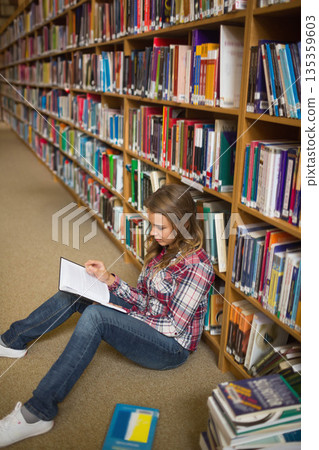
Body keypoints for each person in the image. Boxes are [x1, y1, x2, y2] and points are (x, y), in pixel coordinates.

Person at [0, 184, 215, 447]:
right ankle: (12, 341)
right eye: (152, 225)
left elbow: (172, 326)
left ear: (184, 224)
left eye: (160, 227)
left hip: (169, 347)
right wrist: (110, 280)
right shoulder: (165, 247)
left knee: (96, 316)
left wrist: (119, 311)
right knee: (80, 291)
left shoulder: (198, 267)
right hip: (150, 319)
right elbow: (148, 300)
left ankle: (38, 413)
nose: (153, 233)